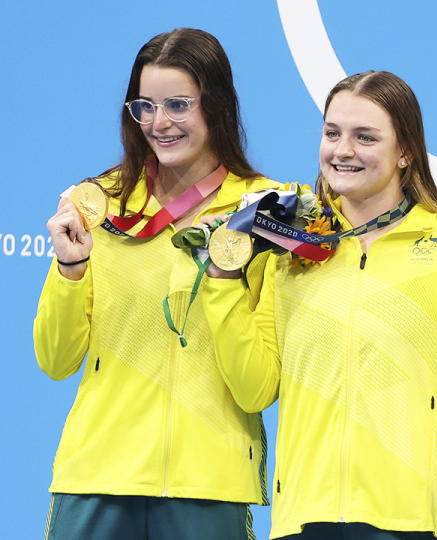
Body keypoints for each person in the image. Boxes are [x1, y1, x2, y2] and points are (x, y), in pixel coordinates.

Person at [199, 71, 437, 540]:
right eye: (332, 133)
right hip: (303, 519)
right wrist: (224, 279)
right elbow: (255, 389)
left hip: (411, 522)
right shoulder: (289, 252)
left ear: (405, 152)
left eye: (365, 137)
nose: (342, 150)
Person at [34, 29, 279, 539]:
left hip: (210, 485)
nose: (158, 123)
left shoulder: (261, 212)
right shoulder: (96, 203)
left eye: (178, 104)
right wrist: (70, 270)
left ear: (217, 105)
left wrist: (225, 277)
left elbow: (258, 388)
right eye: (144, 106)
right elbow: (56, 361)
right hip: (96, 478)